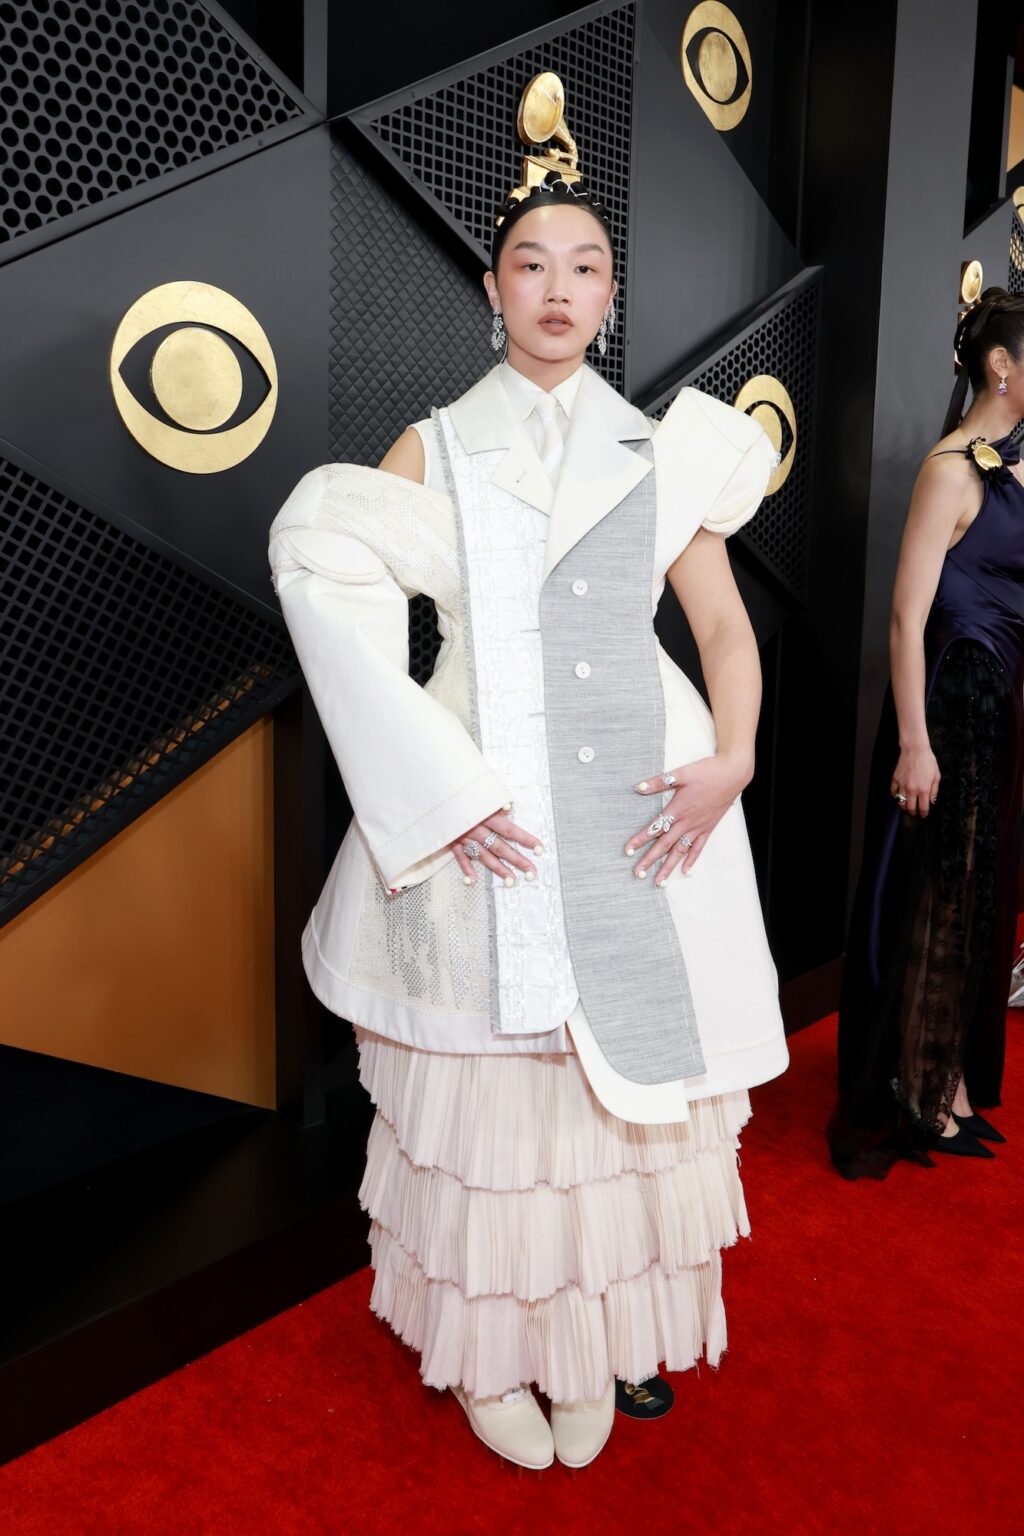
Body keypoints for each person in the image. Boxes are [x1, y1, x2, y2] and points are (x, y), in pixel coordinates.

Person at [268, 100, 788, 1470]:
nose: (558, 289)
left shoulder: (661, 448)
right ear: (493, 288)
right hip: (480, 808)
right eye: (532, 265)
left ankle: (592, 1339)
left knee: (613, 1097)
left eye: (585, 268)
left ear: (610, 297)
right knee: (494, 1105)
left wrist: (732, 756)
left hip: (640, 804)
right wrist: (432, 788)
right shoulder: (431, 446)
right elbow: (347, 623)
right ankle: (493, 1349)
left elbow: (725, 633)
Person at [829, 287, 1024, 1179]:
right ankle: (913, 1085)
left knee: (972, 897)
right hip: (947, 705)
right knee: (933, 897)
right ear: (1002, 366)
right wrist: (913, 740)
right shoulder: (952, 468)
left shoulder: (1010, 464)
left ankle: (945, 1080)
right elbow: (907, 617)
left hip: (998, 708)